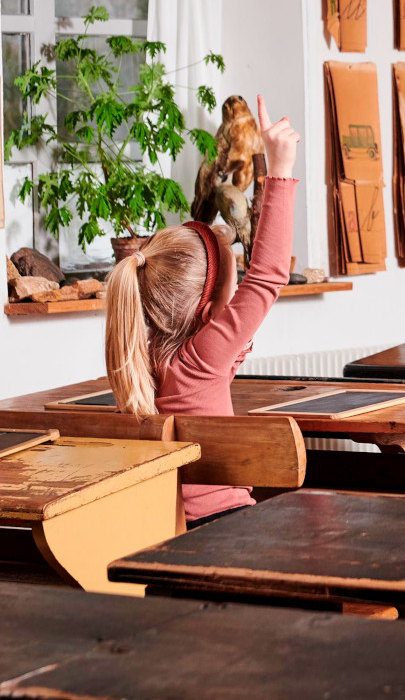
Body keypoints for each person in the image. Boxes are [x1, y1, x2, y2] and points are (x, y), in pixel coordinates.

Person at [104, 94, 299, 528]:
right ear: (209, 311)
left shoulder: (135, 350)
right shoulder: (202, 357)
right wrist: (279, 170)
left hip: (158, 530)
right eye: (231, 295)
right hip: (222, 527)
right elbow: (267, 275)